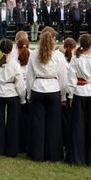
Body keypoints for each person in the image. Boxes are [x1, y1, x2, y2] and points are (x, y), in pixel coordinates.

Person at [26, 27, 68, 162]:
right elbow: (63, 77)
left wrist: (29, 93)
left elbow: (29, 76)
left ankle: (37, 153)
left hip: (38, 88)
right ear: (54, 39)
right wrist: (62, 95)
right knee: (54, 124)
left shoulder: (34, 54)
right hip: (53, 89)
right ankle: (53, 154)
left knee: (38, 123)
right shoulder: (58, 56)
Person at [67, 34, 91, 165]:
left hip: (79, 91)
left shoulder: (76, 59)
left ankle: (78, 156)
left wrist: (71, 96)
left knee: (78, 125)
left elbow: (71, 79)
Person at [0, 38, 24, 156]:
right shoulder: (15, 65)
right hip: (12, 93)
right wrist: (22, 97)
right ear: (11, 50)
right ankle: (11, 149)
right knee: (13, 122)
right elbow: (20, 83)